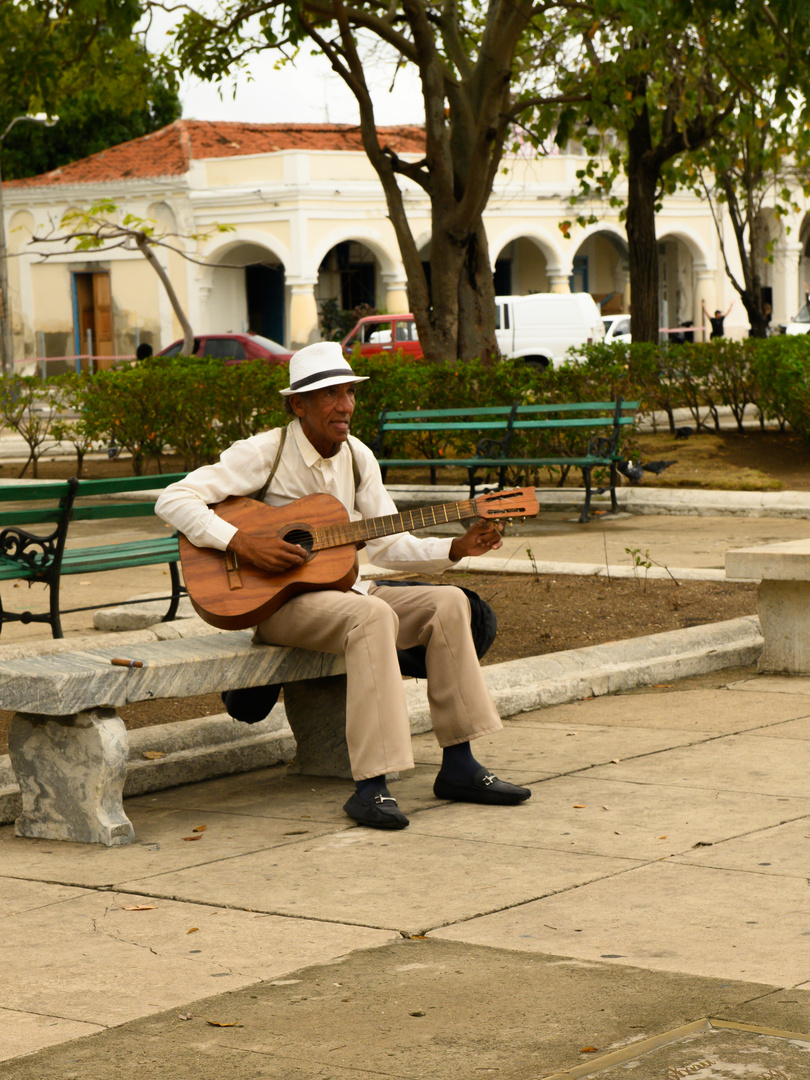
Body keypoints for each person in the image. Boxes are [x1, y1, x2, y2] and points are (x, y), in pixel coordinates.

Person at [155, 341, 531, 831]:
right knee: (373, 616)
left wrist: (457, 548)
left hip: (347, 594)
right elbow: (174, 498)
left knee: (449, 603)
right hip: (280, 605)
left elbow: (388, 546)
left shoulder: (358, 457)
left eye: (350, 393)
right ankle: (371, 786)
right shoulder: (264, 452)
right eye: (331, 394)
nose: (346, 406)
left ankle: (459, 764)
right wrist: (243, 543)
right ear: (299, 404)